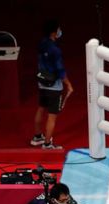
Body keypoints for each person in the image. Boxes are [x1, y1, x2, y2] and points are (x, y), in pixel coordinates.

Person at [30, 19, 74, 150]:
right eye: (58, 29)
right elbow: (60, 70)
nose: (60, 31)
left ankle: (37, 137)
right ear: (54, 33)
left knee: (41, 107)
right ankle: (47, 144)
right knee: (52, 116)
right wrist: (69, 85)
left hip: (42, 82)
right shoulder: (55, 50)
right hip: (54, 86)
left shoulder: (42, 43)